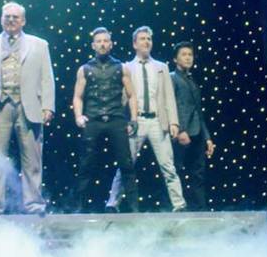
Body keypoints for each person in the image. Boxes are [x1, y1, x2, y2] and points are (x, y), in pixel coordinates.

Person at [0, 2, 56, 215]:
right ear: (1, 19)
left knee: (32, 159)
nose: (11, 20)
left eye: (15, 17)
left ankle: (34, 204)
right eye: (7, 16)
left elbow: (47, 77)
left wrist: (48, 106)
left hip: (29, 107)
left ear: (23, 21)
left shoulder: (39, 45)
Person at [107, 26, 187, 212]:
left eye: (149, 39)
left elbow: (168, 97)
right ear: (135, 44)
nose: (146, 42)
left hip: (158, 121)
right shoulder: (127, 67)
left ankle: (179, 204)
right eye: (142, 39)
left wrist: (174, 122)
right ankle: (112, 202)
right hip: (136, 121)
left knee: (168, 165)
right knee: (126, 164)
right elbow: (122, 97)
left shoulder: (161, 67)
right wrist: (123, 121)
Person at [73, 28, 139, 212]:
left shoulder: (121, 67)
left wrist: (133, 119)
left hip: (116, 118)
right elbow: (77, 96)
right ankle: (80, 208)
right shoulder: (85, 69)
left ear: (111, 44)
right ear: (93, 45)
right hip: (93, 119)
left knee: (126, 164)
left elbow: (132, 95)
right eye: (99, 41)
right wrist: (78, 116)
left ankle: (134, 208)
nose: (102, 44)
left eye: (105, 41)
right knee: (86, 163)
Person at [170, 41, 216, 210]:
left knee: (198, 173)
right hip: (181, 133)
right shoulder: (171, 78)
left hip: (197, 132)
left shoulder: (192, 80)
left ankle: (201, 209)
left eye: (190, 54)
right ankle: (178, 208)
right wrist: (180, 130)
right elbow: (172, 106)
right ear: (175, 59)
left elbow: (198, 111)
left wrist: (207, 137)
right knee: (177, 171)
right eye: (184, 54)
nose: (188, 58)